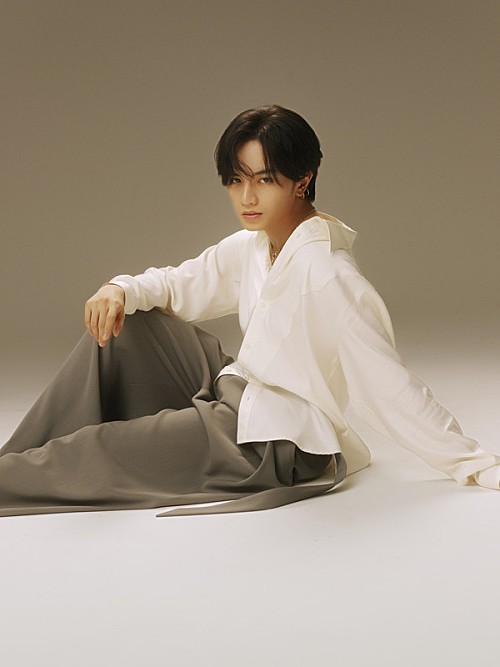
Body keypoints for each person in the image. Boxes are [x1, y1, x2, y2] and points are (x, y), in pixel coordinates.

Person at [1, 105, 499, 519]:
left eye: (264, 180)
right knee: (126, 325)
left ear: (302, 181)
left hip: (273, 442)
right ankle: (12, 459)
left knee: (97, 451)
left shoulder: (330, 277)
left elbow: (391, 388)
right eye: (236, 180)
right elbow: (177, 285)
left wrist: (476, 464)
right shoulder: (255, 245)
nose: (247, 197)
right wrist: (118, 288)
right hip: (236, 390)